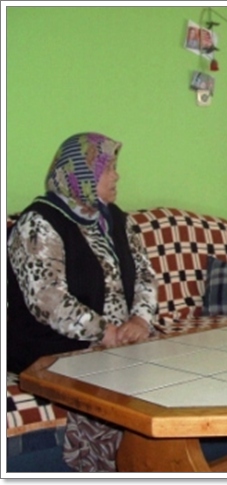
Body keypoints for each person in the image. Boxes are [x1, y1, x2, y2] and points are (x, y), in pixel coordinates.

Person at [7, 132, 158, 471]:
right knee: (115, 393)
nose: (117, 175)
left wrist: (140, 320)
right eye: (109, 168)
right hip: (55, 345)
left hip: (121, 340)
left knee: (174, 374)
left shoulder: (115, 219)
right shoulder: (39, 222)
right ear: (81, 174)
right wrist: (105, 332)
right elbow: (47, 299)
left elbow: (146, 275)